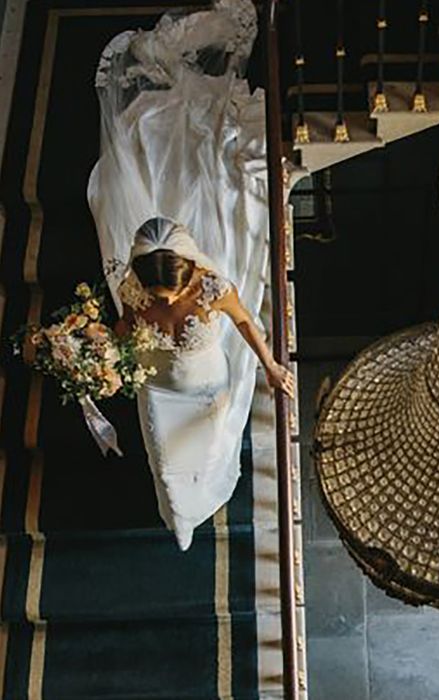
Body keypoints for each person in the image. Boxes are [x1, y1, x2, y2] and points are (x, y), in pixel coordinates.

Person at [87, 1, 292, 549]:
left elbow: (247, 325)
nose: (161, 299)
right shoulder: (135, 290)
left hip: (206, 389)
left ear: (188, 272)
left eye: (168, 290)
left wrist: (271, 366)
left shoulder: (211, 289)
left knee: (207, 447)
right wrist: (95, 359)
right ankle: (179, 514)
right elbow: (128, 334)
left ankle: (207, 491)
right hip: (157, 392)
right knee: (167, 462)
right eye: (155, 291)